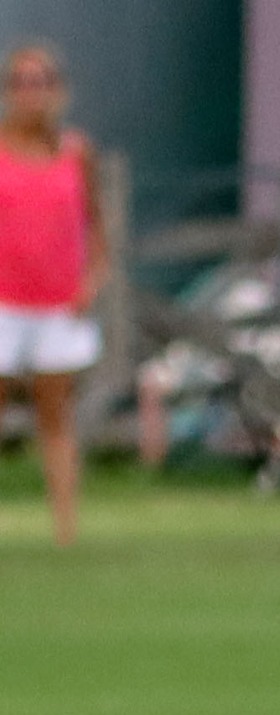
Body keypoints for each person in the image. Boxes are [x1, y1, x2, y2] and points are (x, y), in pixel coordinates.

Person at [0, 42, 106, 546]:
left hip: (59, 303)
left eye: (41, 82)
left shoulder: (76, 152)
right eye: (21, 82)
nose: (31, 93)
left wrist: (91, 281)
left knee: (55, 415)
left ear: (58, 91)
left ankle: (65, 531)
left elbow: (96, 228)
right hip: (4, 301)